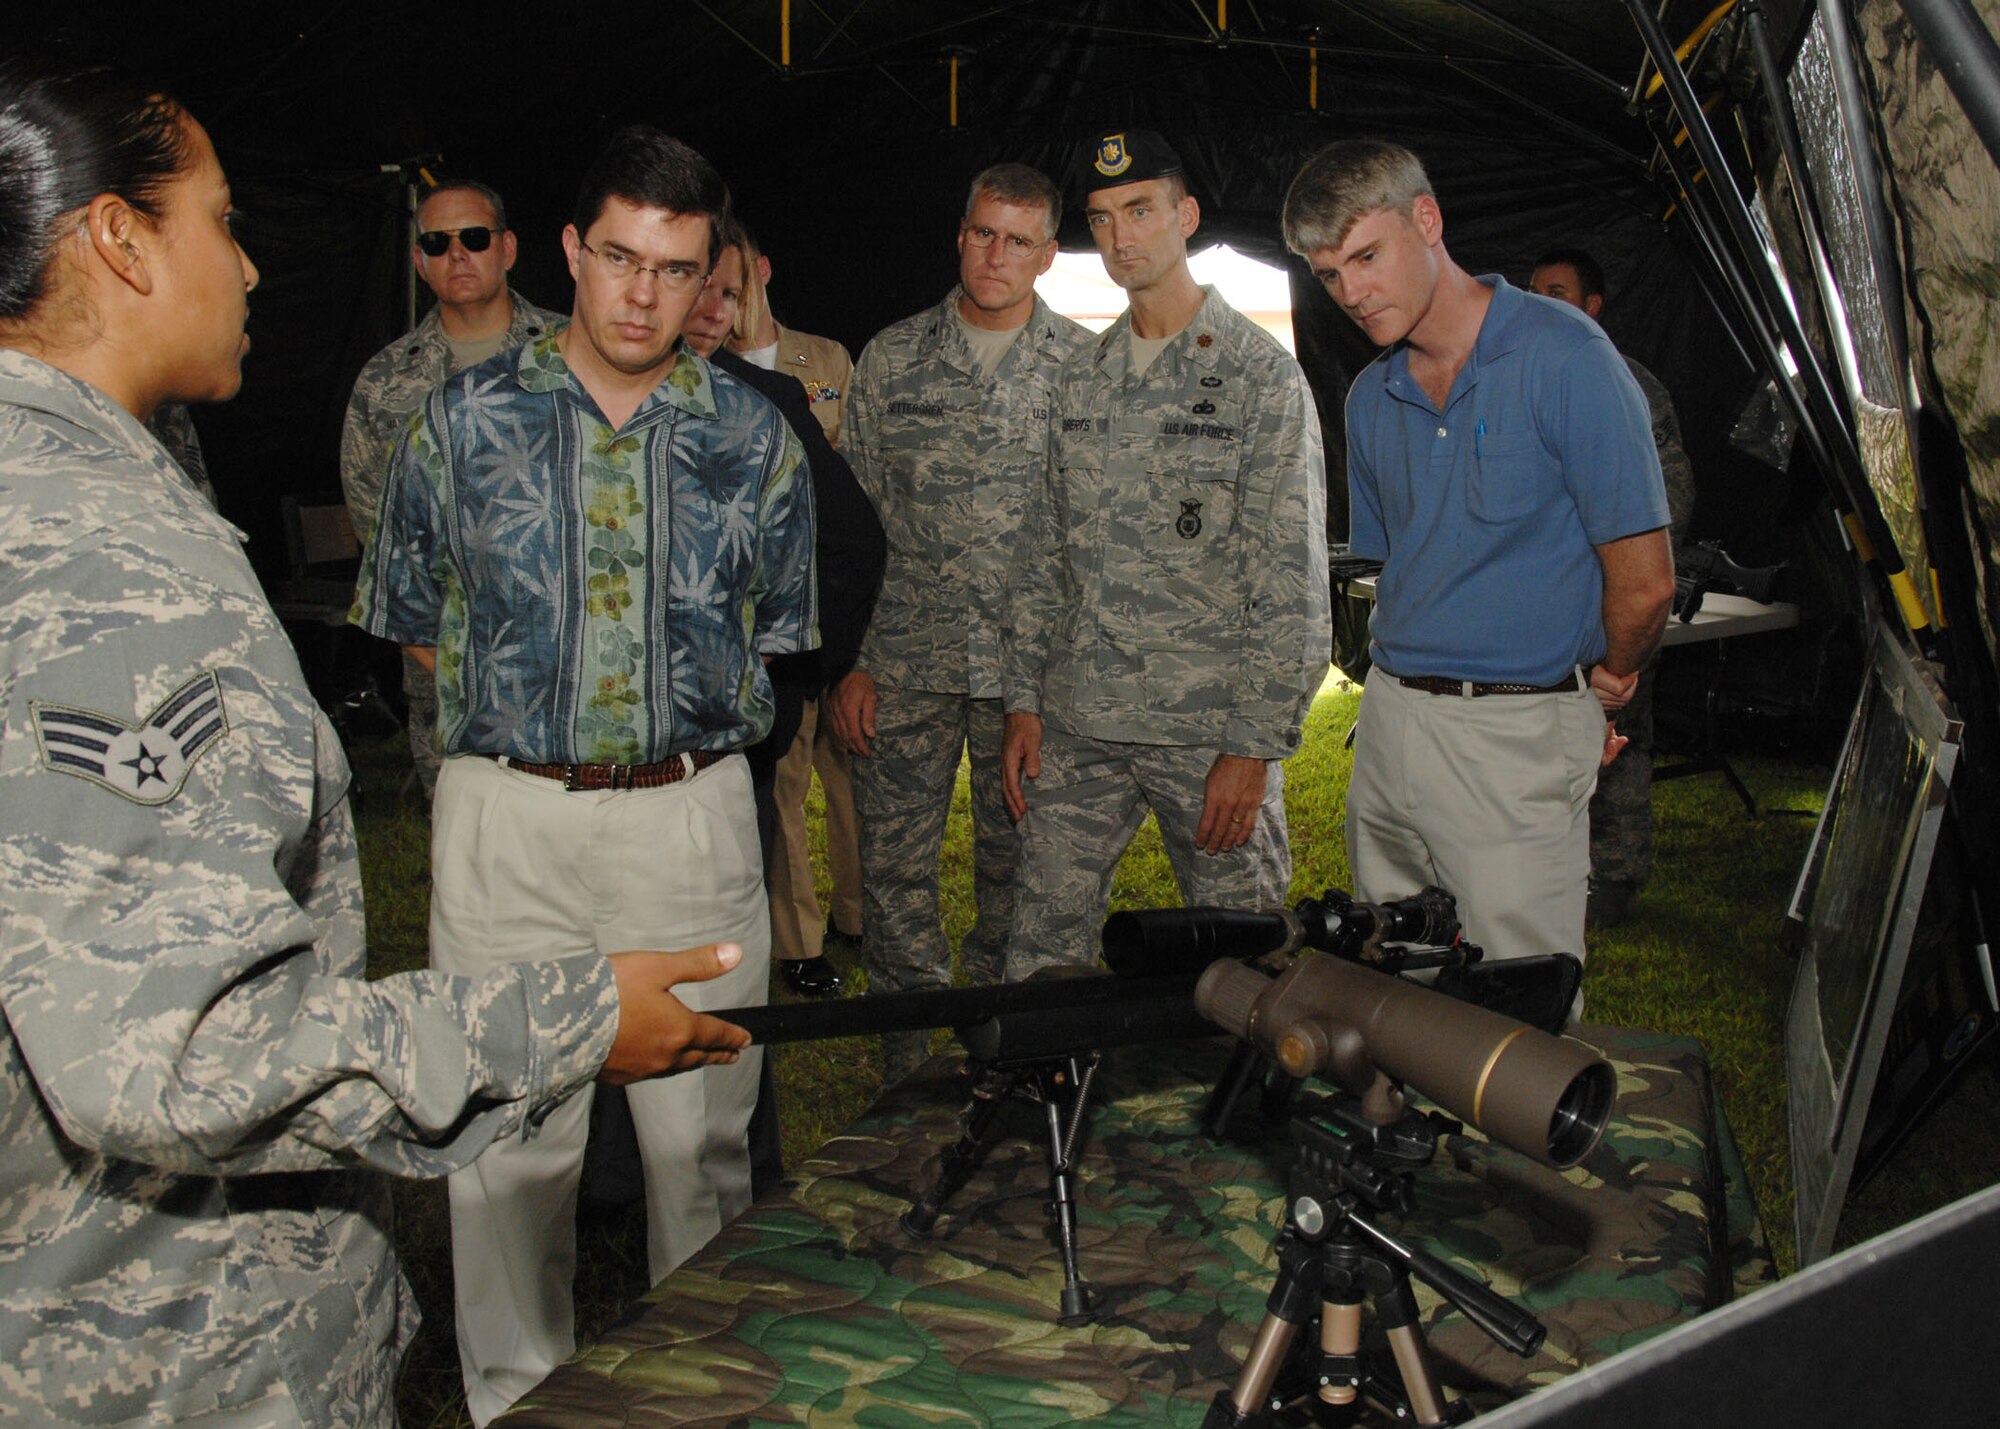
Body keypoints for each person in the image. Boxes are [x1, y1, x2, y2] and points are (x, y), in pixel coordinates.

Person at [0, 64, 748, 1429]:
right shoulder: (85, 552)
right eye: (222, 221)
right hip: (146, 1356)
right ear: (118, 240)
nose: (249, 266)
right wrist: (568, 1020)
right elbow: (173, 1051)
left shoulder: (111, 479)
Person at [351, 126, 814, 1423]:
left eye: (674, 269)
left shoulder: (752, 438)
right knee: (505, 1137)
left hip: (690, 815)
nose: (641, 295)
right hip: (510, 815)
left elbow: (779, 630)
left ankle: (699, 1393)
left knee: (703, 1138)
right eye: (617, 258)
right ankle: (517, 1401)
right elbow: (419, 619)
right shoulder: (460, 422)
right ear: (570, 249)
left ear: (711, 274)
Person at [1281, 139, 1674, 976]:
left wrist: (1602, 685)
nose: (1351, 292)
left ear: (1427, 220)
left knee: (1518, 1001)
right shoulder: (1370, 395)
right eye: (1328, 275)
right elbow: (1406, 575)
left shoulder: (1565, 357)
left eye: (1366, 256)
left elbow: (1644, 583)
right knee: (1397, 982)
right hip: (1389, 724)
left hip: (1513, 728)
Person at [1000, 130, 1331, 981]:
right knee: (1041, 953)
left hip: (1205, 730)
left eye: (1140, 210)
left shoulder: (1259, 378)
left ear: (1186, 216)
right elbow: (1043, 556)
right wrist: (1023, 701)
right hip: (1081, 723)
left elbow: (1291, 578)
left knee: (1244, 962)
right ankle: (1047, 1107)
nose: (1120, 238)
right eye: (1103, 218)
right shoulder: (1080, 377)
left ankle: (1244, 1113)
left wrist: (1254, 745)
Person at [832, 162, 1091, 1078]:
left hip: (1029, 684)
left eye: (1019, 240)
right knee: (894, 882)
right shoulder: (893, 358)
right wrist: (849, 663)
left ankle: (995, 1066)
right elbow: (854, 528)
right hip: (901, 665)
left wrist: (1048, 686)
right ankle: (902, 1079)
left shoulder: (1085, 370)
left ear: (1049, 255)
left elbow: (1085, 546)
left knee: (1017, 882)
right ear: (960, 234)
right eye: (983, 232)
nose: (997, 254)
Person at [340, 179, 558, 801]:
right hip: (446, 669)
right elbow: (376, 532)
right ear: (419, 262)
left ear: (507, 248)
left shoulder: (576, 351)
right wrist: (442, 655)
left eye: (474, 237)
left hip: (574, 663)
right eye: (437, 242)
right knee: (467, 859)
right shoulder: (387, 381)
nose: (457, 254)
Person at [1528, 247, 1697, 927]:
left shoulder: (1629, 384)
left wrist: (1602, 556)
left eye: (1559, 291)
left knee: (1616, 732)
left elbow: (1673, 495)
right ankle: (1543, 869)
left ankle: (1617, 878)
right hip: (1540, 606)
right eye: (1535, 290)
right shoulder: (1519, 378)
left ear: (1593, 306)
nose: (1543, 301)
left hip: (1609, 598)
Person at [731, 231, 862, 995]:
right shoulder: (699, 371)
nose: (727, 296)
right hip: (766, 616)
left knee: (847, 773)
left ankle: (857, 913)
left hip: (835, 603)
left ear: (764, 268)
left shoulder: (826, 360)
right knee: (781, 783)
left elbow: (852, 467)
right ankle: (798, 942)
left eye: (738, 275)